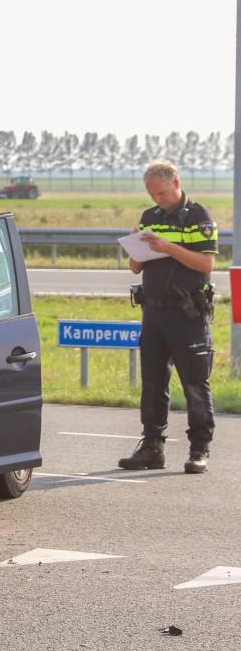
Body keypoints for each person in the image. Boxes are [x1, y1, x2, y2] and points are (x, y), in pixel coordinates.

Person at [118, 161, 216, 474]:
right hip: (154, 312)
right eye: (152, 194)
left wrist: (168, 247)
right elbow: (136, 267)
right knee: (152, 382)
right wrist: (135, 249)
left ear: (176, 181)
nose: (157, 199)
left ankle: (199, 449)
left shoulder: (198, 216)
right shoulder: (150, 217)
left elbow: (205, 264)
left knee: (194, 383)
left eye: (160, 192)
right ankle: (151, 447)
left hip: (186, 314)